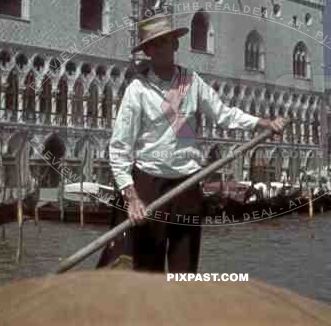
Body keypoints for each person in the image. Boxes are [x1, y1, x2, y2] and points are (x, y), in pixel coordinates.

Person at [109, 14, 284, 273]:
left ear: (175, 45)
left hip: (187, 183)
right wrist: (132, 197)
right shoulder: (138, 89)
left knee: (185, 270)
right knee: (148, 272)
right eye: (153, 44)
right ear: (146, 51)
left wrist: (263, 123)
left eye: (165, 42)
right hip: (150, 184)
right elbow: (120, 148)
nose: (159, 49)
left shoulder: (192, 81)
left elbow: (224, 114)